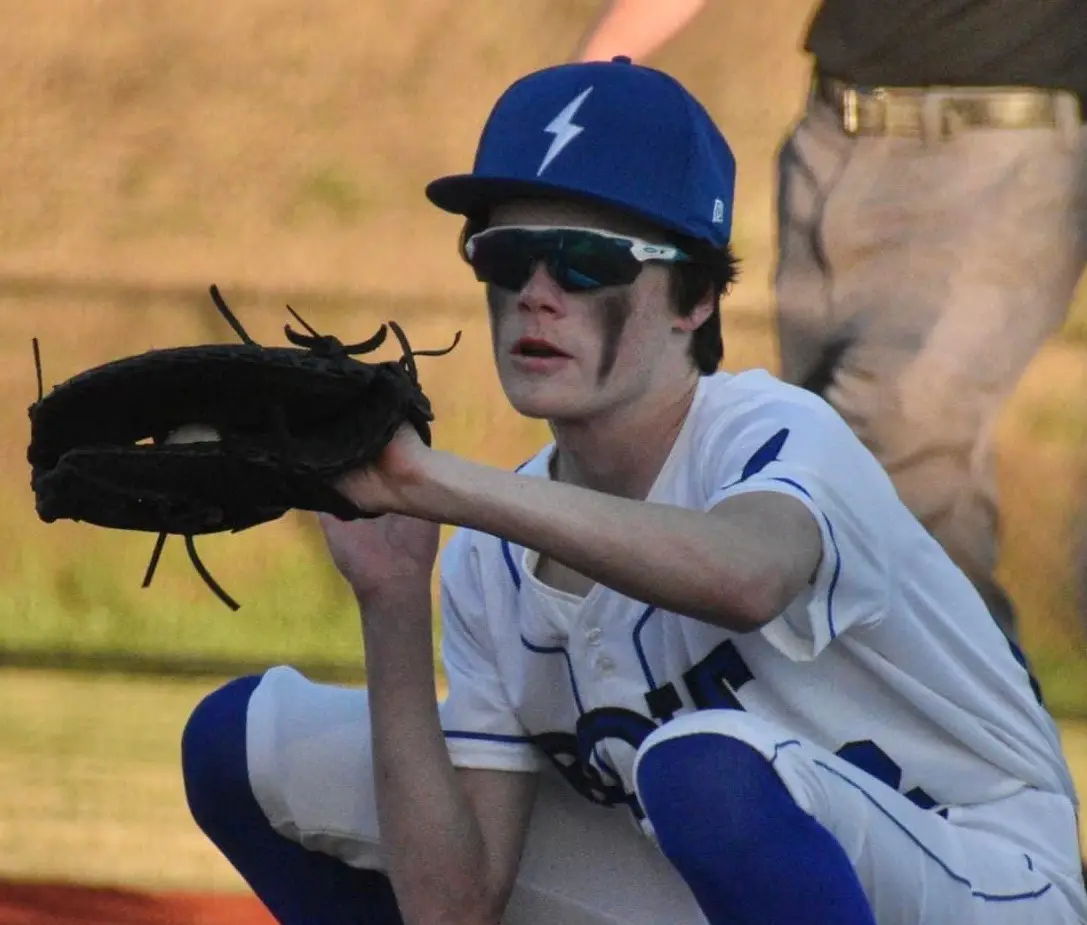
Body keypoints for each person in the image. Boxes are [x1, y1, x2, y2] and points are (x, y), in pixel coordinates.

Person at [179, 57, 1087, 925]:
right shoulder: (489, 557)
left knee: (704, 767)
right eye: (506, 256)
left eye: (585, 260)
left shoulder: (772, 433)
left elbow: (746, 574)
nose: (536, 294)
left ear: (694, 297)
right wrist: (391, 596)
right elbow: (452, 906)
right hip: (711, 870)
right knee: (244, 742)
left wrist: (429, 481)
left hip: (981, 878)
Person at [574, 0, 1087, 642]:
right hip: (832, 137)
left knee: (898, 434)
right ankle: (944, 691)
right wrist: (585, 85)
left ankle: (961, 703)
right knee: (824, 454)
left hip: (1006, 144)